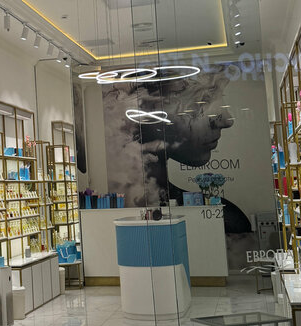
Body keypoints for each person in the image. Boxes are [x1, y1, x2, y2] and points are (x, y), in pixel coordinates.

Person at [102, 66, 251, 233]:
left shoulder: (226, 219)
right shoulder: (226, 222)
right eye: (202, 102)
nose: (227, 120)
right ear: (149, 113)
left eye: (219, 97)